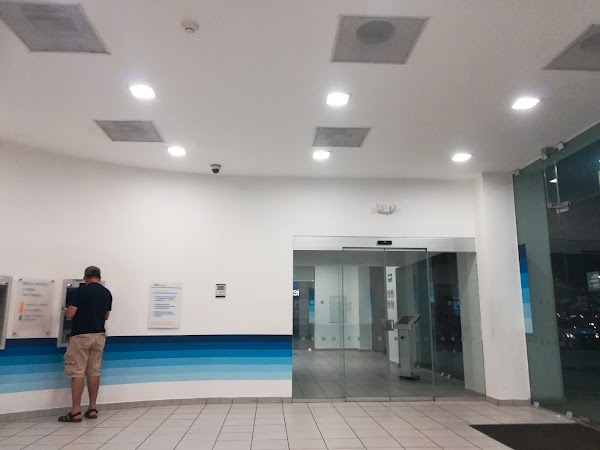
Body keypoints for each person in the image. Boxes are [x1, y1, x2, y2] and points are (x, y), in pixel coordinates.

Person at [58, 266, 112, 423]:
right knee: (94, 371)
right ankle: (92, 409)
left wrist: (65, 311)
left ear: (85, 277)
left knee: (78, 372)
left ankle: (75, 412)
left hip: (81, 336)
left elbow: (70, 314)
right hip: (99, 336)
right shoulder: (106, 293)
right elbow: (106, 316)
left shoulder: (80, 291)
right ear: (99, 278)